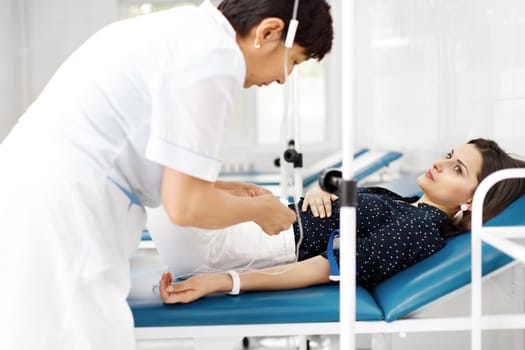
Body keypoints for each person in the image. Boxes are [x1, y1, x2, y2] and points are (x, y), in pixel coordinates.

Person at [0, 1, 333, 349]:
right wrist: (263, 212)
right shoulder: (214, 59)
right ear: (268, 32)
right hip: (62, 213)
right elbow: (185, 206)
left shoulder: (186, 32)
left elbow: (154, 162)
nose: (283, 78)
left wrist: (222, 188)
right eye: (292, 61)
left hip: (39, 195)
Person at [158, 138, 525, 303]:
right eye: (448, 155)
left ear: (472, 200)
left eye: (456, 168)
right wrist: (320, 193)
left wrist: (222, 282)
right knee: (157, 176)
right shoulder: (408, 204)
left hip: (239, 246)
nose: (439, 164)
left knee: (153, 176)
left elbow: (324, 267)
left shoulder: (419, 229)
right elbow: (339, 208)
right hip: (252, 228)